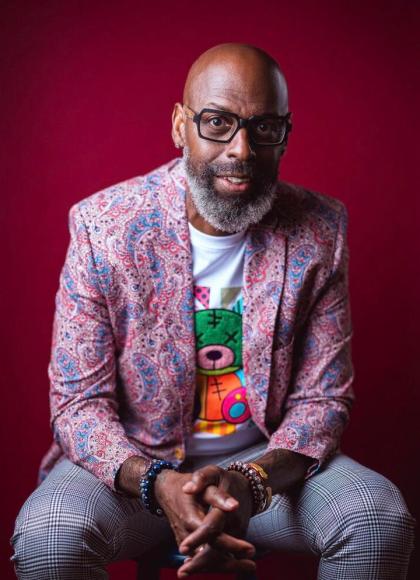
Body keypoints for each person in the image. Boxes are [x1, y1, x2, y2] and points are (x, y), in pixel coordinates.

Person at [11, 43, 415, 579]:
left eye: (264, 127)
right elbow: (77, 404)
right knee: (49, 534)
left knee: (375, 519)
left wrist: (251, 482)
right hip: (132, 469)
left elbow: (323, 400)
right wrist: (157, 482)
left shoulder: (320, 229)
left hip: (269, 469)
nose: (241, 149)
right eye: (218, 122)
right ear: (181, 126)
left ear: (285, 134)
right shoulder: (103, 227)